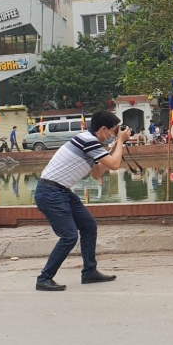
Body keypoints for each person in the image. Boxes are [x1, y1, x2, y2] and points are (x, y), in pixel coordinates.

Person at [32, 110, 129, 291]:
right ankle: (44, 278)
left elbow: (96, 173)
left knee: (88, 225)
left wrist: (114, 147)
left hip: (61, 191)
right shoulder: (88, 140)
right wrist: (121, 142)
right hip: (50, 191)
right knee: (69, 236)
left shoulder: (91, 142)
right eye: (114, 131)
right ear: (103, 129)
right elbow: (115, 165)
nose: (115, 134)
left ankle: (89, 272)